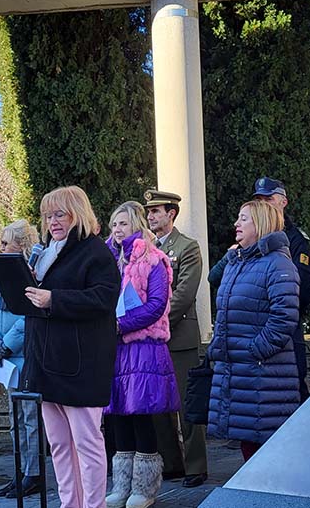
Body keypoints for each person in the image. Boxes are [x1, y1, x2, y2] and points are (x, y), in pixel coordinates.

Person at [21, 186, 120, 508]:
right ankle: (69, 503)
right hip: (47, 361)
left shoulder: (95, 251)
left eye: (59, 214)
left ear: (77, 213)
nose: (52, 221)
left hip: (81, 364)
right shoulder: (48, 252)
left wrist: (54, 298)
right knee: (60, 445)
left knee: (87, 443)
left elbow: (104, 298)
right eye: (48, 215)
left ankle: (94, 505)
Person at [206, 200, 301, 462]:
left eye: (243, 219)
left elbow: (284, 318)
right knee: (248, 441)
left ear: (260, 224)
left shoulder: (278, 264)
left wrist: (254, 350)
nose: (236, 224)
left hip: (262, 372)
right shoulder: (236, 263)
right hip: (239, 371)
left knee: (265, 448)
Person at [209, 177, 310, 400]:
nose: (263, 203)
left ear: (283, 202)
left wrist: (258, 347)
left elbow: (297, 295)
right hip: (246, 350)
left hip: (277, 341)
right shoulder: (242, 250)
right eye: (259, 199)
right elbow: (214, 278)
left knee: (289, 397)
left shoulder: (292, 242)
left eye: (268, 198)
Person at [103, 201, 179, 508]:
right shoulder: (109, 259)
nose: (117, 230)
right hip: (115, 348)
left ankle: (145, 487)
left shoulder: (153, 259)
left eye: (122, 224)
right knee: (118, 415)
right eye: (113, 225)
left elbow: (157, 304)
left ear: (136, 224)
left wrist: (120, 325)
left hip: (142, 347)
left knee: (141, 414)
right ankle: (122, 484)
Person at [142, 189, 208, 487]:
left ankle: (196, 466)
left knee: (186, 405)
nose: (151, 216)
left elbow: (183, 294)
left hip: (178, 336)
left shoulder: (187, 247)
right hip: (153, 339)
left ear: (172, 213)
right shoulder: (146, 249)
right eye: (149, 211)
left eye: (156, 211)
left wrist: (153, 322)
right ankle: (172, 463)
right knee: (159, 405)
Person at [0, 219, 45, 498]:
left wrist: (6, 344)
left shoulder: (35, 272)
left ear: (21, 245)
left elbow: (28, 315)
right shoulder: (4, 276)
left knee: (30, 420)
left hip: (25, 357)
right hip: (7, 360)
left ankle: (34, 474)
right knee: (15, 419)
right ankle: (21, 471)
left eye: (6, 242)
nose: (1, 247)